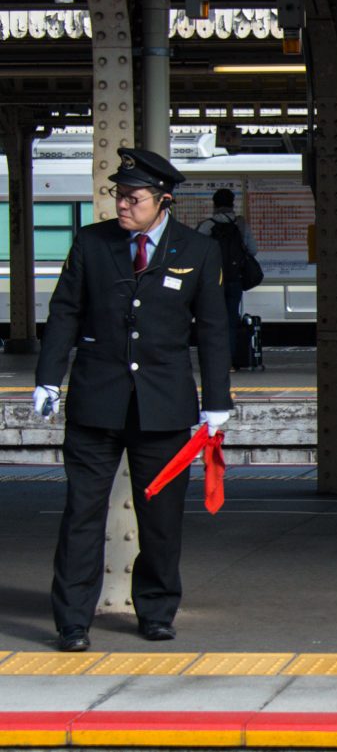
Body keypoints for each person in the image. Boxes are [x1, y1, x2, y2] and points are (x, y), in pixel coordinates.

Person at [33, 148, 232, 652]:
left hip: (163, 407)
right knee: (82, 513)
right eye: (118, 196)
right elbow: (64, 314)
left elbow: (211, 329)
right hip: (96, 404)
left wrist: (217, 402)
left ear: (162, 201)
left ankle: (157, 609)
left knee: (162, 518)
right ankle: (72, 620)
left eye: (133, 198)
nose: (122, 205)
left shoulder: (196, 250)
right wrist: (48, 378)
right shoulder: (91, 243)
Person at [197, 188, 257, 364]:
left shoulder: (206, 226)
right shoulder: (241, 225)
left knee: (211, 320)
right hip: (234, 279)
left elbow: (195, 252)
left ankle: (213, 359)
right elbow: (253, 250)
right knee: (231, 319)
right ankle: (230, 360)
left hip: (211, 281)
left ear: (214, 204)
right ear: (232, 204)